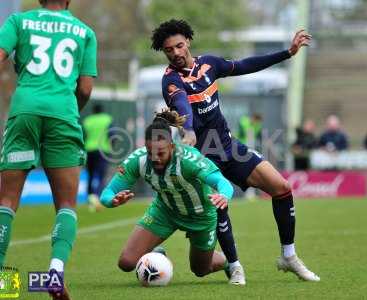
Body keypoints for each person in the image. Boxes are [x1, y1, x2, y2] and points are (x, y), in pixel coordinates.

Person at [151, 19, 319, 282]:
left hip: (230, 148)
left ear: (188, 41)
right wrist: (189, 130)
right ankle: (235, 265)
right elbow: (181, 104)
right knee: (215, 220)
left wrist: (287, 53)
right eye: (169, 50)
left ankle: (288, 256)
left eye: (179, 46)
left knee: (282, 188)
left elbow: (243, 65)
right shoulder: (170, 80)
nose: (176, 53)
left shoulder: (209, 64)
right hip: (202, 157)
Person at [0, 0, 97, 299]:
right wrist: (70, 110)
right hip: (63, 114)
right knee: (66, 204)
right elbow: (85, 89)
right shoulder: (84, 31)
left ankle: (4, 282)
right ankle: (53, 273)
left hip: (25, 110)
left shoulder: (19, 22)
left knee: (6, 200)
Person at [100, 110, 234, 282]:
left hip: (201, 217)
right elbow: (107, 193)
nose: (155, 158)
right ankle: (157, 253)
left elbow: (222, 183)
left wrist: (223, 195)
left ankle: (227, 261)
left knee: (200, 269)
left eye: (161, 153)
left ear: (172, 146)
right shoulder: (138, 160)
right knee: (126, 262)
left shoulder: (188, 160)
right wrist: (112, 200)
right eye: (150, 152)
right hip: (165, 212)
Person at [83, 104, 113, 210]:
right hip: (102, 150)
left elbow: (83, 135)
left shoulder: (88, 120)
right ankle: (98, 198)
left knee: (90, 175)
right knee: (101, 175)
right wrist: (112, 146)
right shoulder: (107, 119)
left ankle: (90, 198)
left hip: (89, 149)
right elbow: (112, 134)